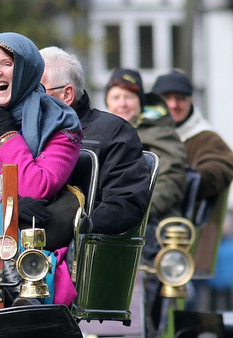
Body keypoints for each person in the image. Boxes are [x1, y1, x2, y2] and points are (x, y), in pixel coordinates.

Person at [0, 32, 83, 239]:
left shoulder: (61, 123)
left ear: (26, 70)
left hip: (36, 246)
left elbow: (37, 189)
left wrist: (5, 133)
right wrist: (9, 207)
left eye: (6, 64)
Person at [39, 46, 150, 235]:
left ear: (66, 95)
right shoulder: (20, 132)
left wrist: (72, 227)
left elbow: (125, 204)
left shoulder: (115, 132)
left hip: (84, 252)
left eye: (37, 90)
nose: (27, 98)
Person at [105, 68, 188, 257]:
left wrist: (136, 210)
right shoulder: (100, 132)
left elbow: (171, 177)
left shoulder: (159, 131)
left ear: (140, 102)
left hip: (152, 219)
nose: (122, 104)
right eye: (116, 97)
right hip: (110, 218)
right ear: (107, 102)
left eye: (129, 97)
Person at [152, 70, 233, 200]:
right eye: (166, 98)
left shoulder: (205, 137)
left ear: (190, 101)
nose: (173, 105)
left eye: (180, 99)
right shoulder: (142, 132)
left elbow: (223, 167)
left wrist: (188, 177)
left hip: (182, 212)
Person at [206, 217, 233, 311]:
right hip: (214, 280)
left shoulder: (232, 245)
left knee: (229, 304)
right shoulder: (214, 244)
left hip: (228, 280)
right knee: (213, 304)